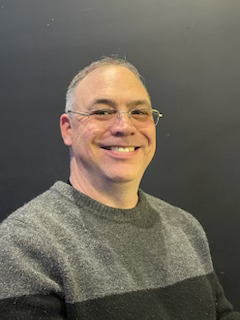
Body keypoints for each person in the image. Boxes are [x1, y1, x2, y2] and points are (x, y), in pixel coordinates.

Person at [0, 57, 239, 320]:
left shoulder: (185, 227)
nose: (124, 126)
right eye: (102, 112)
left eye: (139, 112)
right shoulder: (24, 244)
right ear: (68, 129)